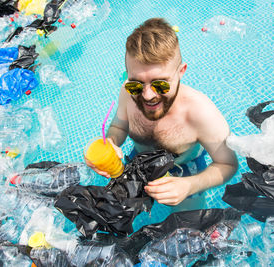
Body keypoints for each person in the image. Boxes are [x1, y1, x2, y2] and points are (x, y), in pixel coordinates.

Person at [86, 18, 238, 210]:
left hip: (184, 170)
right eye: (136, 84)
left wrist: (190, 185)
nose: (148, 96)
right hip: (138, 160)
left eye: (160, 84)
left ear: (181, 71)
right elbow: (119, 126)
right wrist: (112, 143)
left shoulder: (201, 113)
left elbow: (228, 164)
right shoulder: (127, 91)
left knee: (188, 225)